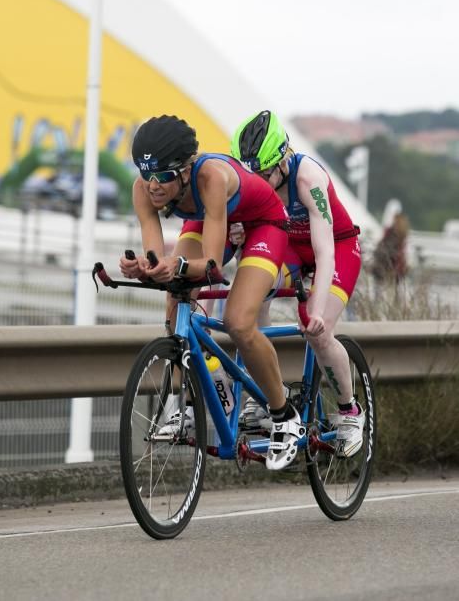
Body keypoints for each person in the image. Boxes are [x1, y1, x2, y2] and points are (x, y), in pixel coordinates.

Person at [119, 114, 302, 471]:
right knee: (175, 297)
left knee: (237, 322)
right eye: (147, 175)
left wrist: (178, 266)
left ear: (186, 171)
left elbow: (213, 265)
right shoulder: (143, 189)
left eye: (163, 177)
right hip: (211, 218)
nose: (153, 186)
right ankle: (197, 394)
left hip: (263, 223)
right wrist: (146, 267)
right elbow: (160, 260)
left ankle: (284, 414)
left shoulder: (211, 177)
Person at [230, 110, 365, 458]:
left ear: (283, 160)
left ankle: (350, 411)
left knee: (316, 330)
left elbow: (324, 252)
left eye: (264, 174)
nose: (258, 182)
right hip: (291, 247)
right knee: (253, 295)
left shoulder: (308, 179)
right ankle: (264, 398)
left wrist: (317, 310)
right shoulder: (258, 182)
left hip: (336, 247)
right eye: (252, 175)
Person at [371, 212, 410, 286]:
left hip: (386, 263)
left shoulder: (391, 231)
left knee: (379, 287)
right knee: (393, 289)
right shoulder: (403, 234)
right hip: (396, 265)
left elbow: (383, 244)